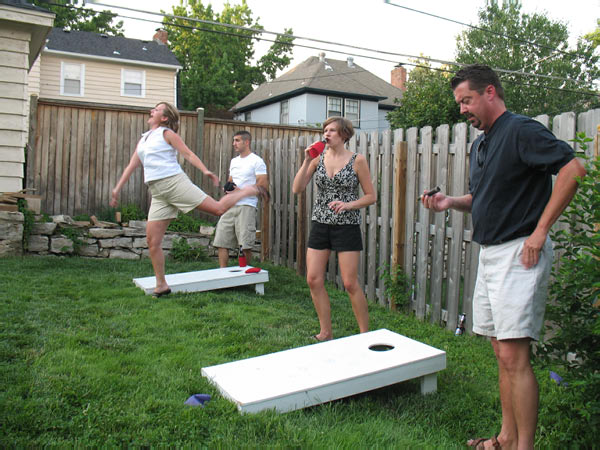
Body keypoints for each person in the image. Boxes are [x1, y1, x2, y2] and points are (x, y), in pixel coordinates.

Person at [422, 64, 586, 450]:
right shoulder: (482, 143)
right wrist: (450, 202)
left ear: (490, 92)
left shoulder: (521, 130)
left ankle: (523, 447)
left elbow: (573, 169)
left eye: (467, 100)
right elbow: (483, 199)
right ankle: (505, 438)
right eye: (459, 103)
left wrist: (541, 230)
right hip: (491, 253)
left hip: (519, 254)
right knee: (500, 351)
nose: (462, 109)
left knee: (515, 355)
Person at [110, 102, 269, 297]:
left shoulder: (166, 134)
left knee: (218, 209)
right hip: (158, 192)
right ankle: (162, 285)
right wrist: (117, 188)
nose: (152, 111)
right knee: (152, 240)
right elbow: (132, 165)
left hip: (174, 182)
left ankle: (246, 192)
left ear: (165, 118)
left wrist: (205, 171)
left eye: (157, 109)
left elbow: (188, 154)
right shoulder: (144, 139)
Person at [292, 117, 376, 341]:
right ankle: (326, 332)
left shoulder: (357, 160)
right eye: (325, 130)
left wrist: (348, 205)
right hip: (320, 223)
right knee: (313, 279)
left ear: (344, 135)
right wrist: (305, 161)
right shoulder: (317, 159)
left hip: (346, 226)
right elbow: (297, 188)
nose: (326, 134)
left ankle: (364, 336)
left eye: (332, 131)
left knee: (349, 283)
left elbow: (371, 196)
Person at [213, 131, 268, 268]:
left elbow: (262, 185)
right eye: (234, 141)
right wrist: (228, 188)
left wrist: (241, 192)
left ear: (247, 142)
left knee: (245, 245)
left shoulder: (257, 161)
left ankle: (245, 276)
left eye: (237, 140)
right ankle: (223, 275)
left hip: (247, 206)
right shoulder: (234, 161)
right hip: (230, 205)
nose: (234, 144)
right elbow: (231, 181)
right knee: (221, 241)